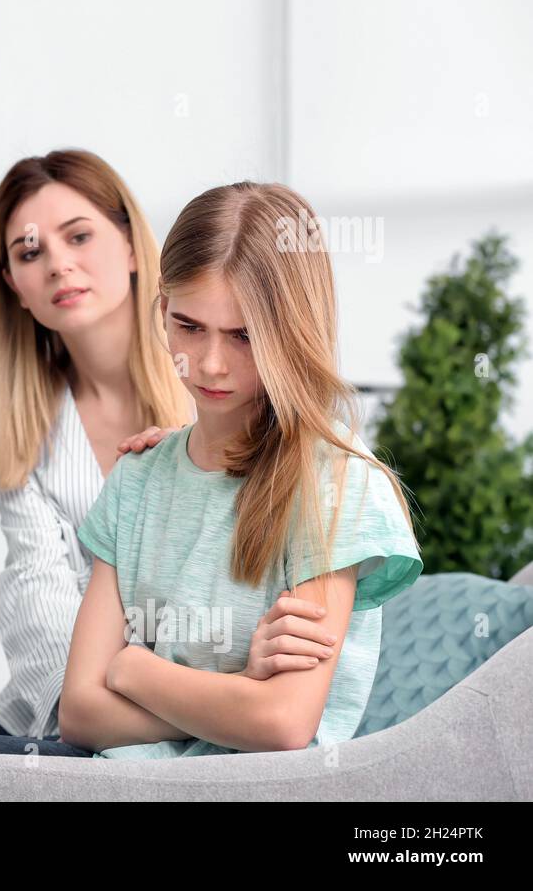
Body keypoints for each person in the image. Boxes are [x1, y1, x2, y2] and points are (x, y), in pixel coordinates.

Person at [0, 152, 330, 801]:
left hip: (164, 727)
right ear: (12, 283)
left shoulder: (221, 399)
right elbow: (43, 628)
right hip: (55, 718)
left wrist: (137, 678)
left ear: (130, 244)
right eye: (28, 252)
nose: (58, 262)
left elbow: (248, 615)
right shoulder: (26, 433)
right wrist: (142, 690)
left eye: (79, 235)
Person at [60, 181, 422, 760]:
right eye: (188, 326)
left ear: (293, 332)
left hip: (239, 789)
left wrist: (132, 669)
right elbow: (78, 711)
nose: (209, 362)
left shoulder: (333, 485)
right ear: (162, 311)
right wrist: (235, 696)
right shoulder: (138, 479)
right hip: (112, 777)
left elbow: (281, 723)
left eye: (244, 336)